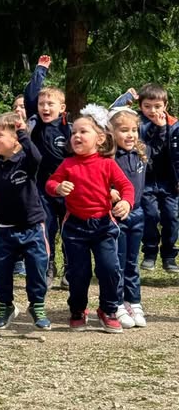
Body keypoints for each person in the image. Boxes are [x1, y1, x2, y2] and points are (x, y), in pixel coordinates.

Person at [46, 114, 134, 333]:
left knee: (109, 268)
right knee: (78, 272)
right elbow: (51, 182)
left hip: (103, 226)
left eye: (83, 131)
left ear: (100, 138)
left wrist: (126, 202)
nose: (76, 136)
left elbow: (126, 186)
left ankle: (108, 310)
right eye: (73, 132)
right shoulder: (68, 164)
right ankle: (78, 310)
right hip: (75, 227)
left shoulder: (107, 164)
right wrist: (58, 188)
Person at [0, 113, 50, 330]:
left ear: (15, 140)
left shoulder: (26, 160)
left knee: (37, 269)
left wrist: (23, 132)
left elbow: (37, 157)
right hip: (5, 230)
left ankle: (37, 305)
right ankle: (5, 306)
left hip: (32, 227)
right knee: (2, 272)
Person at [24, 55, 72, 286]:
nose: (45, 107)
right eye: (42, 104)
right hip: (42, 188)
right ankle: (48, 266)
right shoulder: (36, 125)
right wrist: (40, 70)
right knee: (47, 229)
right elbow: (30, 95)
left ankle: (70, 269)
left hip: (68, 188)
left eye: (50, 104)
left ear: (62, 108)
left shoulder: (68, 128)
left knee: (69, 230)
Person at [109, 109, 147, 328]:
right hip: (117, 216)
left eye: (134, 130)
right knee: (118, 263)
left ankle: (134, 301)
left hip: (138, 214)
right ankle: (117, 303)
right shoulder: (109, 158)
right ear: (112, 132)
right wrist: (109, 192)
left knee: (132, 262)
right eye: (124, 130)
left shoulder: (141, 153)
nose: (131, 134)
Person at [136, 83, 179, 273]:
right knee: (150, 215)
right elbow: (147, 151)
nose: (152, 111)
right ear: (140, 106)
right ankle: (150, 253)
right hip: (145, 180)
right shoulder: (136, 125)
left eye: (157, 106)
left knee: (171, 217)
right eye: (147, 106)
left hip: (169, 182)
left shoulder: (174, 125)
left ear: (165, 105)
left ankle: (169, 255)